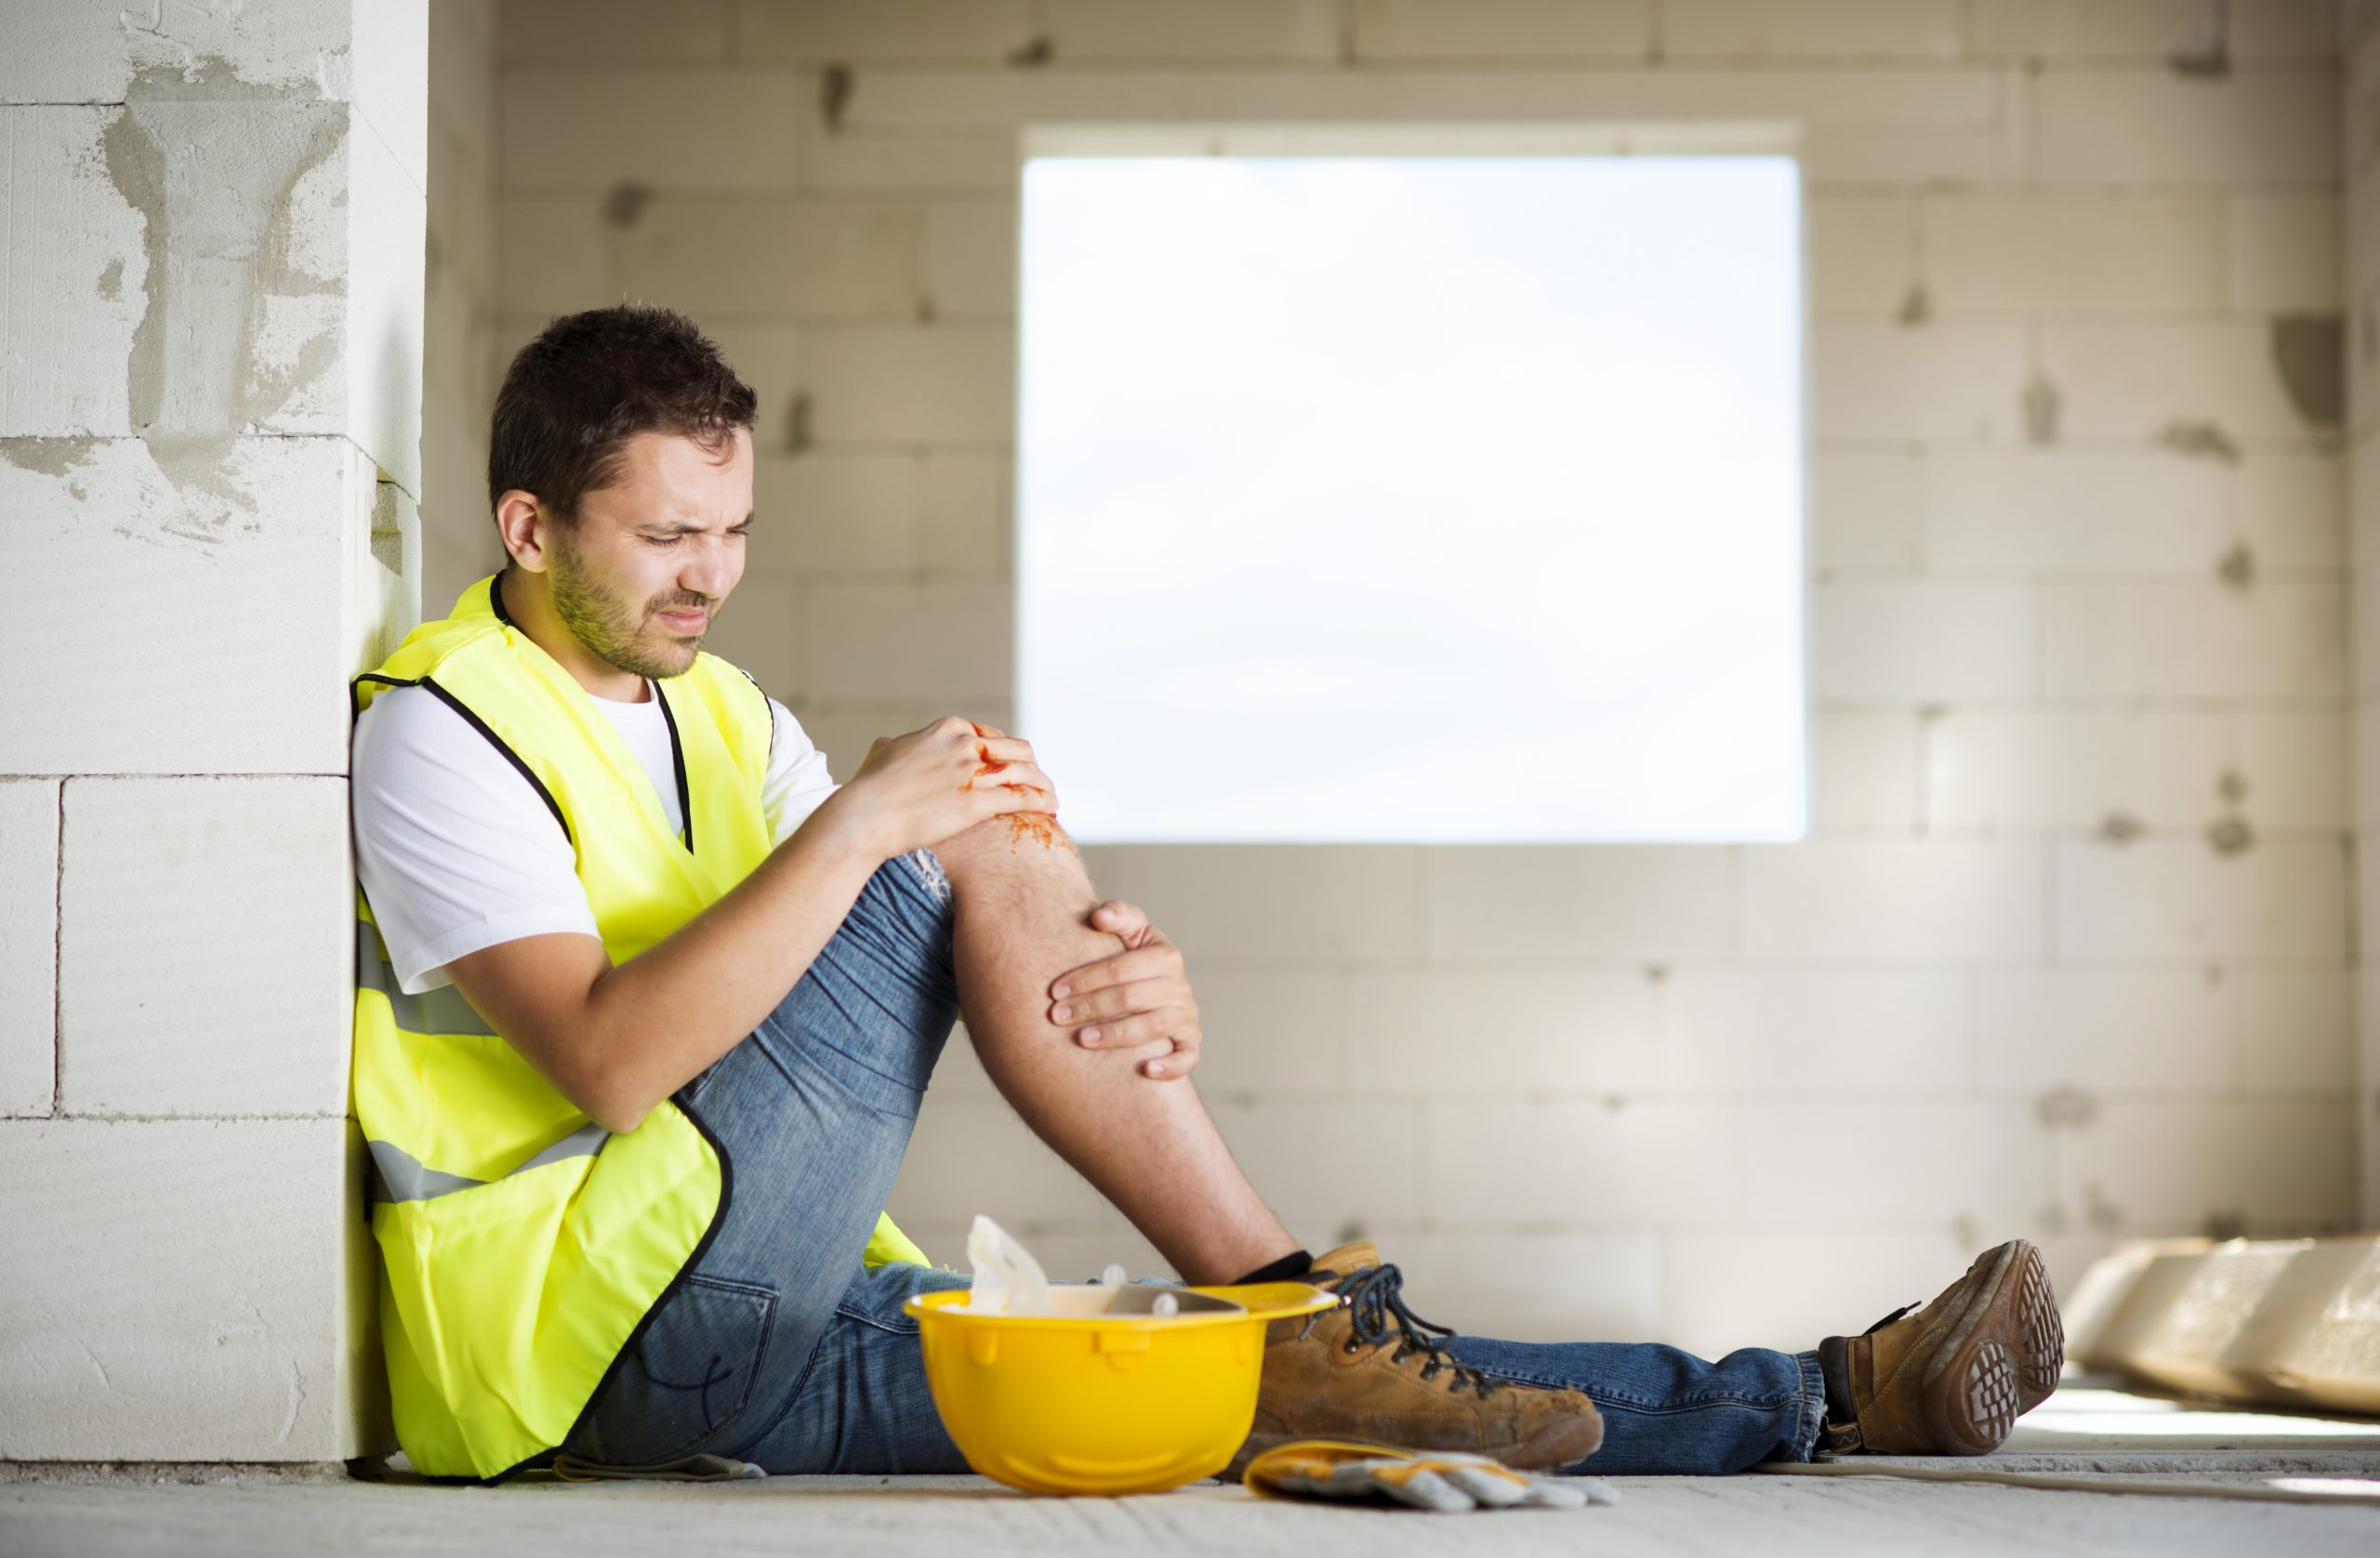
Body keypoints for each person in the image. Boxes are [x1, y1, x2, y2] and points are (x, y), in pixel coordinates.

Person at [350, 304, 2063, 1484]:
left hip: (771, 1321)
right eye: (666, 539)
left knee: (1274, 1392)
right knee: (971, 790)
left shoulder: (721, 718)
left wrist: (1112, 974)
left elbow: (921, 929)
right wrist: (900, 830)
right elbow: (607, 1063)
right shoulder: (439, 731)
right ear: (526, 525)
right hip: (598, 1344)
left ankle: (1836, 1396)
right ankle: (1284, 1284)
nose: (711, 576)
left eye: (731, 531)